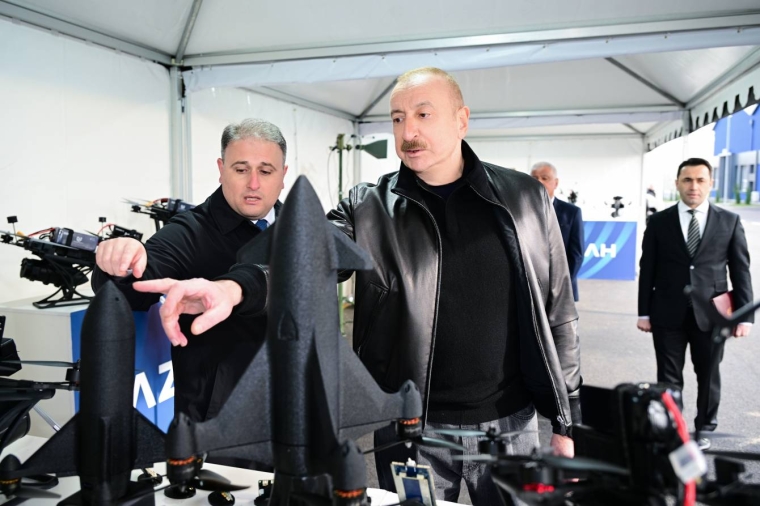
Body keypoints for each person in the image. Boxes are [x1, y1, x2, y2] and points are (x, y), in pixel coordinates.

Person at [135, 68, 581, 505]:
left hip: (510, 426)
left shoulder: (525, 198)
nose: (408, 131)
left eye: (423, 115)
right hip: (410, 428)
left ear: (461, 120)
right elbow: (304, 258)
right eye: (398, 118)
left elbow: (558, 310)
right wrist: (234, 289)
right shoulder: (365, 207)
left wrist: (568, 421)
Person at [92, 118, 288, 423]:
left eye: (265, 171)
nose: (253, 184)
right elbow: (134, 287)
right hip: (219, 417)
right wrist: (121, 263)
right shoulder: (189, 231)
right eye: (241, 170)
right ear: (221, 169)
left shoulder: (299, 225)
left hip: (294, 402)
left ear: (283, 175)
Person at [637, 158, 753, 450]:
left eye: (700, 180)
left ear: (710, 183)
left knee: (709, 375)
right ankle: (673, 429)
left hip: (713, 316)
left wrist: (744, 316)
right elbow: (647, 268)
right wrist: (643, 312)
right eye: (687, 179)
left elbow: (740, 270)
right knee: (668, 377)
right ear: (677, 183)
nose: (693, 186)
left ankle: (704, 429)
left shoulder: (729, 221)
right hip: (667, 312)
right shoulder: (659, 221)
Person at [530, 162, 585, 301]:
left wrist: (561, 286)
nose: (539, 182)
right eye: (534, 178)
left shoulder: (572, 212)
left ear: (556, 183)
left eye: (545, 178)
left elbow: (576, 255)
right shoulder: (521, 210)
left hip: (561, 290)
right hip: (530, 289)